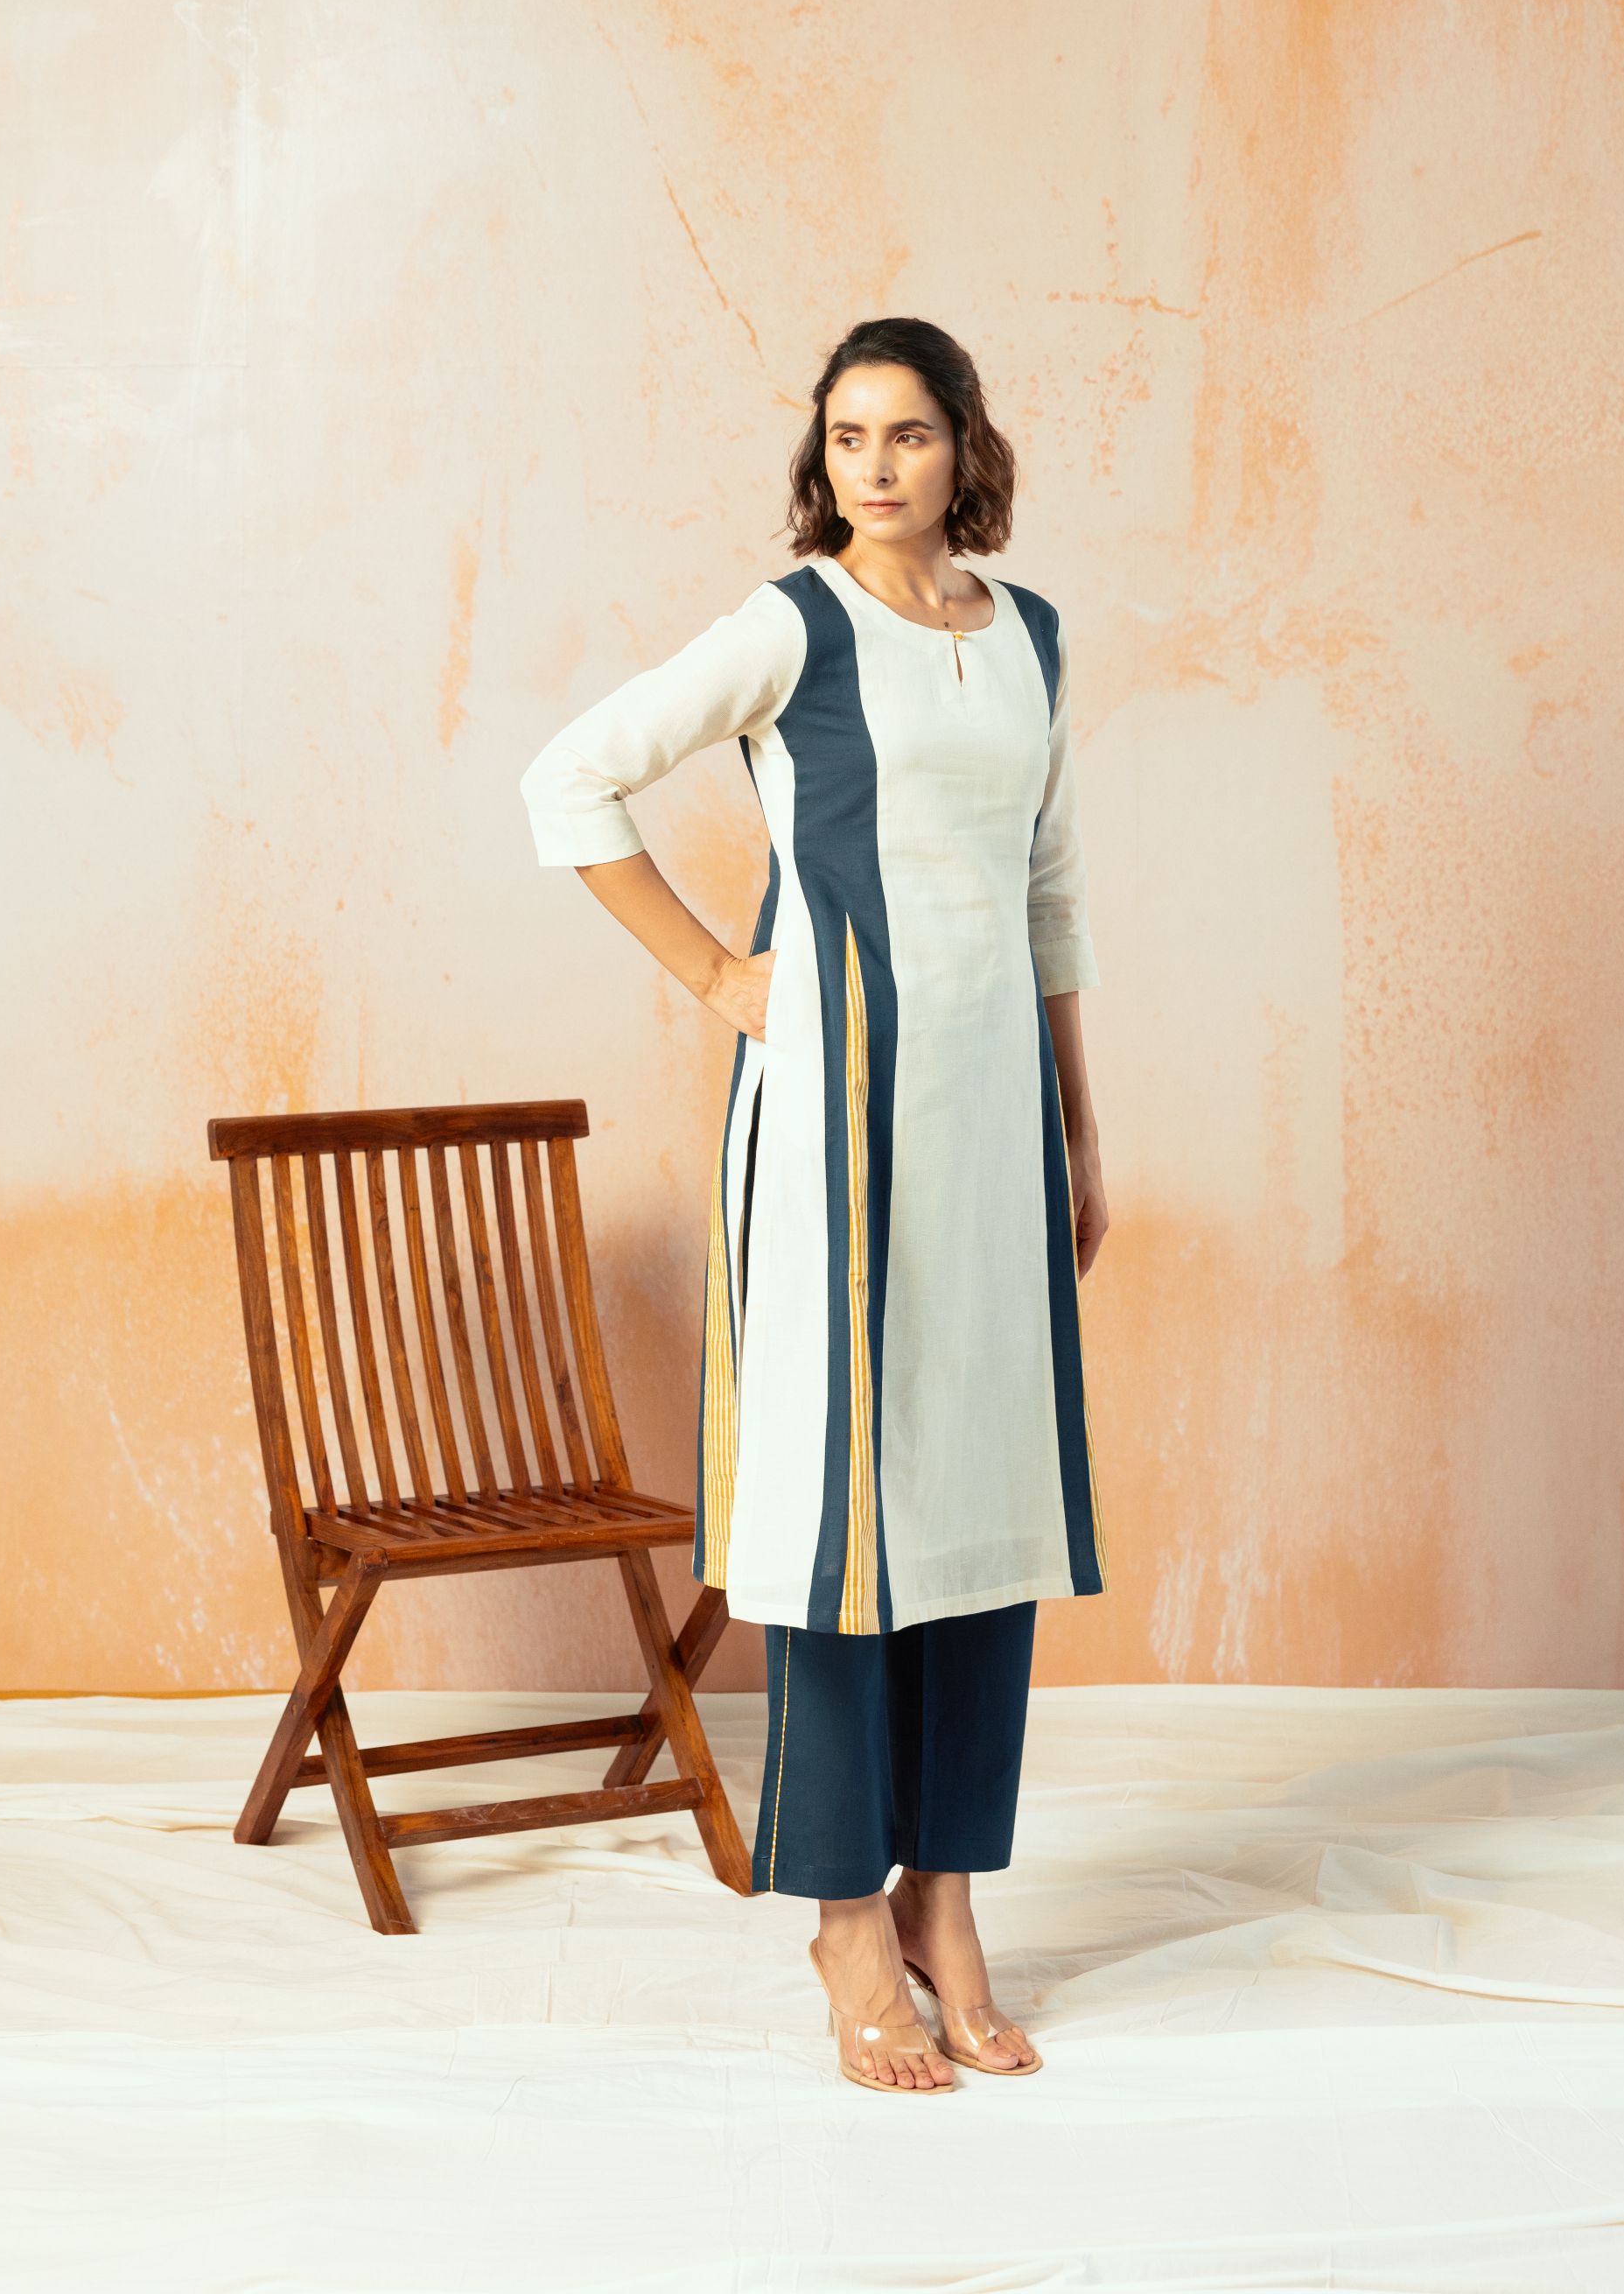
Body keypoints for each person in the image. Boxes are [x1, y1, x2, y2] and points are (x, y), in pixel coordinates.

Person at [522, 315, 1109, 2091]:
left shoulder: (1031, 636)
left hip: (990, 1122)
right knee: (842, 1500)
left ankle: (946, 1896)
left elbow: (1048, 883)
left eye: (907, 432)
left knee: (979, 1495)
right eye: (848, 436)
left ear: (964, 446)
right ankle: (847, 1912)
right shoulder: (797, 624)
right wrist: (720, 972)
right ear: (821, 456)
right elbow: (570, 776)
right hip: (837, 1121)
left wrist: (1079, 1127)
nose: (876, 465)